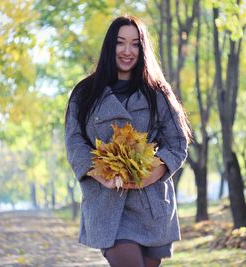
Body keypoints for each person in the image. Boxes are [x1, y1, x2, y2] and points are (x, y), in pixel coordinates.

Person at [65, 15, 191, 267]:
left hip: (153, 206)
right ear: (110, 46)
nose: (127, 51)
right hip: (108, 206)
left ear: (142, 49)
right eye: (120, 43)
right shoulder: (85, 93)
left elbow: (177, 142)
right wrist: (102, 174)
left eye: (135, 44)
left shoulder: (158, 93)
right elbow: (74, 141)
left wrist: (148, 176)